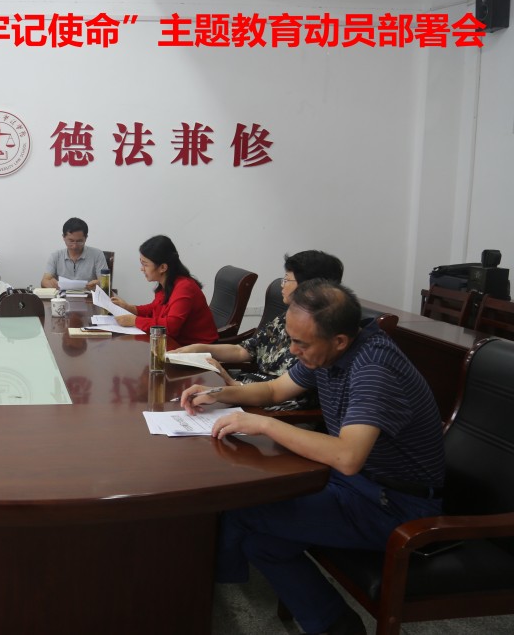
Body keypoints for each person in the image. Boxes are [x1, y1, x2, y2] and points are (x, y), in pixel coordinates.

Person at [180, 280, 444, 635]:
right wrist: (218, 393)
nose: (293, 350)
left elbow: (348, 456)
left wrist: (264, 425)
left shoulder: (374, 368)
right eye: (292, 339)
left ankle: (195, 594)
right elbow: (275, 389)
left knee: (243, 508)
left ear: (339, 340)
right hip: (355, 484)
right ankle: (336, 624)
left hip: (394, 506)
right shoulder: (326, 350)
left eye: (300, 344)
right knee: (262, 543)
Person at [176, 250, 344, 411]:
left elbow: (281, 395)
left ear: (309, 287)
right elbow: (244, 351)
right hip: (246, 392)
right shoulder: (287, 317)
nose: (282, 285)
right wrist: (201, 349)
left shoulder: (321, 340)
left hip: (269, 409)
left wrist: (230, 383)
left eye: (287, 280)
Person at [110, 235, 218, 347]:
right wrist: (129, 307)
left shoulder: (184, 287)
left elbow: (171, 327)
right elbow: (154, 308)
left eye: (145, 264)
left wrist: (135, 321)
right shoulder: (168, 283)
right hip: (176, 344)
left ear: (162, 267)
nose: (142, 269)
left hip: (199, 350)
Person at [40, 217, 109, 290]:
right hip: (62, 296)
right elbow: (44, 281)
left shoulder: (97, 255)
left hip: (89, 295)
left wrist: (99, 284)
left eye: (79, 241)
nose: (75, 246)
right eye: (71, 241)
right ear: (63, 237)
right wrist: (50, 284)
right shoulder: (56, 256)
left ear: (86, 238)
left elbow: (105, 283)